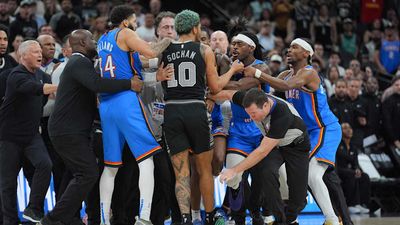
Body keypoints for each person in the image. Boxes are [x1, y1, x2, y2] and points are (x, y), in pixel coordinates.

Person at [39, 29, 141, 225]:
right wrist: (129, 83)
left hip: (74, 130)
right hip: (67, 131)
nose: (95, 42)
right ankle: (52, 220)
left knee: (82, 174)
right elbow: (98, 84)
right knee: (87, 173)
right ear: (83, 43)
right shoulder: (78, 61)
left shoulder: (82, 63)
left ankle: (67, 218)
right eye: (92, 39)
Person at [244, 38, 343, 225]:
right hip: (303, 133)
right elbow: (271, 95)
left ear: (307, 53)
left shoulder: (309, 73)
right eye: (288, 47)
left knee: (313, 175)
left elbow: (287, 87)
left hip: (323, 128)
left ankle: (331, 219)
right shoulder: (285, 75)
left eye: (294, 47)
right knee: (290, 172)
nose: (289, 50)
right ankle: (292, 216)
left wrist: (257, 72)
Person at [160, 9, 243, 225]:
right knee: (204, 170)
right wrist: (232, 69)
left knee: (181, 172)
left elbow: (153, 72)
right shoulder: (204, 49)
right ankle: (210, 215)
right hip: (196, 110)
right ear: (196, 28)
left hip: (172, 111)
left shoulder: (166, 49)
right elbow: (215, 87)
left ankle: (186, 218)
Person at [96, 5, 172, 225]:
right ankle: (145, 217)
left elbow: (135, 62)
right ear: (125, 22)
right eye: (134, 20)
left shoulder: (103, 40)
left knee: (111, 166)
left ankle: (103, 220)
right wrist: (169, 39)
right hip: (125, 101)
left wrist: (154, 75)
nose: (137, 24)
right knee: (146, 158)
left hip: (107, 105)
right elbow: (152, 52)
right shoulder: (126, 33)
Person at [218, 88, 310, 225]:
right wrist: (207, 97)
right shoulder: (250, 98)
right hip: (276, 146)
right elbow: (227, 94)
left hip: (297, 147)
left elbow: (262, 151)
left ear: (266, 105)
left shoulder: (282, 113)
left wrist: (234, 170)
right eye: (248, 113)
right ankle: (279, 219)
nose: (251, 117)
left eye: (253, 113)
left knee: (299, 198)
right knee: (266, 172)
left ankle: (290, 217)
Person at [0, 40, 56, 225]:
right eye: (34, 52)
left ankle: (33, 209)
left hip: (32, 135)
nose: (39, 55)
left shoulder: (43, 76)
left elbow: (41, 103)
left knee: (45, 165)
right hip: (9, 136)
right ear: (23, 56)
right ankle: (10, 221)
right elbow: (35, 90)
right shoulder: (15, 75)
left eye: (40, 51)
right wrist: (60, 87)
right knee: (8, 183)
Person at [336, 123, 370, 214]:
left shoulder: (353, 146)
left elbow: (355, 162)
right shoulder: (337, 144)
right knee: (351, 174)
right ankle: (351, 204)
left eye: (350, 128)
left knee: (364, 176)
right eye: (345, 128)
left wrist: (357, 169)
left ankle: (361, 203)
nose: (348, 130)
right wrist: (354, 170)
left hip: (350, 170)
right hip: (339, 170)